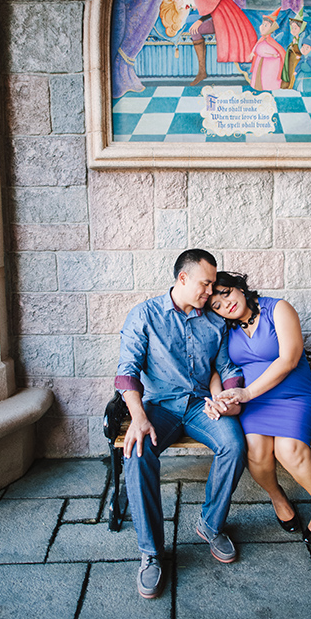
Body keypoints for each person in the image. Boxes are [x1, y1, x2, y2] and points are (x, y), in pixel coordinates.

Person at [116, 249, 247, 600]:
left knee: (234, 445)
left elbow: (229, 369)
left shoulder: (214, 322)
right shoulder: (144, 315)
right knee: (137, 452)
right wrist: (138, 417)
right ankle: (152, 553)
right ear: (183, 279)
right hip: (160, 407)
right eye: (205, 283)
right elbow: (127, 372)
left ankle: (210, 523)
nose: (210, 291)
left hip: (203, 406)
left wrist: (229, 397)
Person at [205, 272, 311, 545]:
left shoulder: (278, 308)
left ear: (240, 287)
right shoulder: (225, 330)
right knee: (256, 450)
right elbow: (215, 368)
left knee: (288, 450)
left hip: (294, 397)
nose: (224, 305)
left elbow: (289, 359)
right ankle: (278, 497)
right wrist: (219, 398)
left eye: (226, 293)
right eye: (216, 305)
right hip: (255, 403)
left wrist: (247, 392)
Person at [171, 0, 257, 86]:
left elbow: (210, 9)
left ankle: (202, 72)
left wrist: (199, 21)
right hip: (224, 18)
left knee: (194, 31)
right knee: (195, 30)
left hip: (225, 21)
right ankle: (202, 72)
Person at [248, 7, 286, 91]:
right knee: (258, 75)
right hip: (261, 61)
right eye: (263, 24)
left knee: (265, 77)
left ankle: (268, 86)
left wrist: (271, 55)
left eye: (266, 25)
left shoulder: (270, 41)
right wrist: (252, 52)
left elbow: (276, 52)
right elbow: (257, 46)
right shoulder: (263, 39)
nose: (262, 27)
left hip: (269, 65)